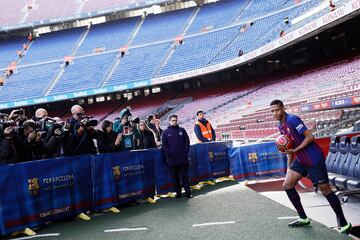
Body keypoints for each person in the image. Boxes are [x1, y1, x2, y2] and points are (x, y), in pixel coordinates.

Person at [270, 99, 351, 234]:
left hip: (314, 159)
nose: (275, 113)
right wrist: (289, 168)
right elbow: (289, 148)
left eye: (277, 110)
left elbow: (310, 137)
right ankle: (303, 218)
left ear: (283, 108)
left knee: (326, 191)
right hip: (301, 160)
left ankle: (344, 224)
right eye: (272, 111)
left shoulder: (293, 120)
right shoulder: (280, 126)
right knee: (287, 185)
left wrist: (296, 150)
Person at [162, 114, 192, 199]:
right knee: (175, 178)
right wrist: (169, 155)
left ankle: (188, 193)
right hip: (172, 159)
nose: (174, 122)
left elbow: (187, 142)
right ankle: (178, 194)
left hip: (183, 158)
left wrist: (185, 152)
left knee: (185, 177)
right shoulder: (165, 132)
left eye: (175, 120)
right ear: (169, 121)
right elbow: (165, 146)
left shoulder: (182, 130)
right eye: (173, 120)